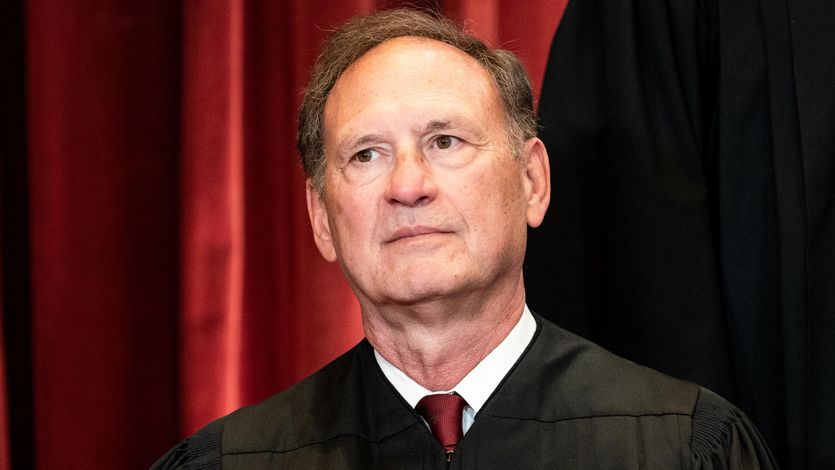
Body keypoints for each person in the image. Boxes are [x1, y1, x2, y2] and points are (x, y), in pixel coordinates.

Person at [152, 8, 777, 469]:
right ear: (321, 218)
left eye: (444, 142)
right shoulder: (231, 463)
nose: (408, 185)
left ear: (532, 180)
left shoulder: (686, 447)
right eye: (367, 155)